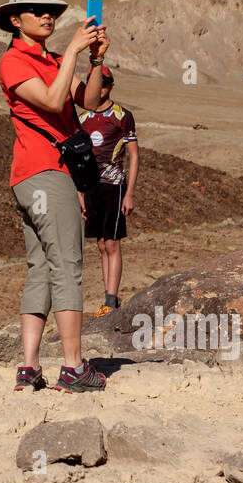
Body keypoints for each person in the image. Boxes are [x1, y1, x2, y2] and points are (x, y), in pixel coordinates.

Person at [0, 0, 111, 393]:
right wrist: (76, 54)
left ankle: (28, 368)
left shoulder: (54, 59)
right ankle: (73, 366)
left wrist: (95, 61)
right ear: (15, 19)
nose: (48, 17)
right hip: (44, 172)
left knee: (42, 269)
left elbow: (91, 102)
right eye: (36, 10)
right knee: (68, 265)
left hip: (41, 175)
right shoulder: (13, 61)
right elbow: (50, 100)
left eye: (52, 12)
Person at [79, 66, 139, 319]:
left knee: (113, 242)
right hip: (90, 186)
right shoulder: (82, 119)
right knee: (101, 244)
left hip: (114, 185)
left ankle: (112, 300)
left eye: (104, 83)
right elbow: (78, 159)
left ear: (111, 86)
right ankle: (107, 298)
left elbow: (134, 155)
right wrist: (79, 192)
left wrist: (130, 192)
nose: (100, 88)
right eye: (95, 83)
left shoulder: (122, 116)